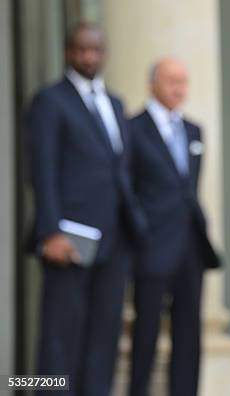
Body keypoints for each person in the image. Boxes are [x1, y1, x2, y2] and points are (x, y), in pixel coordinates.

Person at [28, 23, 146, 395]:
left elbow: (118, 170)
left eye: (95, 50)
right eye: (81, 50)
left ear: (104, 53)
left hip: (114, 241)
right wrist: (50, 231)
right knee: (61, 337)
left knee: (104, 338)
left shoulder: (114, 103)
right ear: (67, 52)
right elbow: (41, 171)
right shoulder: (50, 100)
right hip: (69, 240)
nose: (88, 57)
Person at [128, 57, 220, 396]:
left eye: (183, 81)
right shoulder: (133, 129)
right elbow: (127, 188)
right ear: (152, 84)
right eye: (171, 81)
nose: (179, 88)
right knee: (146, 330)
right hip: (151, 245)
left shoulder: (194, 130)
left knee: (188, 332)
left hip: (190, 246)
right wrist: (139, 232)